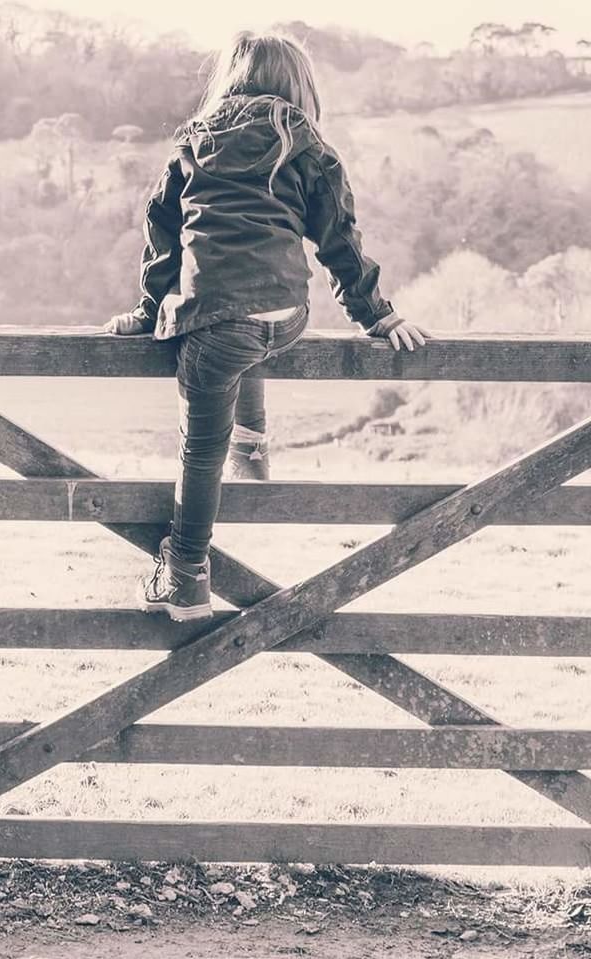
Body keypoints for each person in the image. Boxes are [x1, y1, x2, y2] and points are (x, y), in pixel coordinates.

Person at [106, 31, 427, 621]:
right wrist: (377, 315)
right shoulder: (306, 146)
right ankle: (251, 447)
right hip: (285, 318)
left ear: (229, 79)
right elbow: (339, 241)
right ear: (298, 85)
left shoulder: (194, 146)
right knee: (243, 335)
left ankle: (185, 576)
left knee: (199, 451)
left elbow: (161, 232)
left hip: (218, 326)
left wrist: (150, 310)